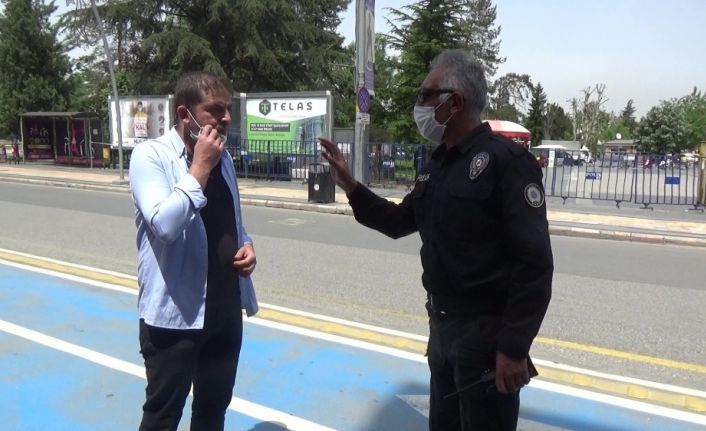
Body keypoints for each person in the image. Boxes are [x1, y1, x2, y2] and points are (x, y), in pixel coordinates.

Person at [319, 49, 553, 431]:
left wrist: (513, 348)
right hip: (443, 330)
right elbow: (399, 220)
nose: (419, 104)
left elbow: (535, 263)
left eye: (425, 95)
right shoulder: (438, 164)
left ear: (454, 102)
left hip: (485, 336)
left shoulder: (505, 162)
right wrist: (349, 185)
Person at [129, 71, 258, 431]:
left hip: (224, 311)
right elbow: (165, 225)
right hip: (175, 319)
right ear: (185, 115)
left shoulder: (225, 160)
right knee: (162, 417)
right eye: (215, 110)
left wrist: (247, 245)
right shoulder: (150, 156)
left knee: (212, 412)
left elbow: (231, 221)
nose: (226, 118)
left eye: (228, 109)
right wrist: (200, 167)